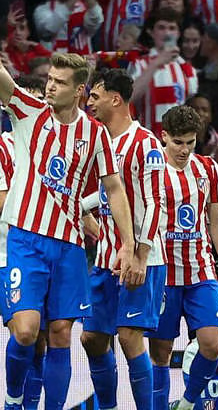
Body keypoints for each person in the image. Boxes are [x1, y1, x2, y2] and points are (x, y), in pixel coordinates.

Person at [0, 0, 136, 408]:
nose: (50, 87)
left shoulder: (95, 133)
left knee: (60, 334)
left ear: (79, 91)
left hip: (70, 245)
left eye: (59, 82)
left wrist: (129, 243)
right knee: (25, 331)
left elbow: (113, 189)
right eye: (50, 79)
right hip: (25, 239)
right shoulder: (29, 111)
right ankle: (12, 398)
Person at [80, 68, 167, 410]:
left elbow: (156, 202)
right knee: (91, 338)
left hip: (142, 259)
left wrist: (140, 255)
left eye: (95, 96)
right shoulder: (101, 142)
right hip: (105, 259)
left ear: (115, 99)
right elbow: (107, 192)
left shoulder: (145, 143)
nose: (89, 103)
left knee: (130, 337)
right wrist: (79, 207)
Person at [147, 105, 218, 410]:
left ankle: (186, 403)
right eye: (178, 142)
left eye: (190, 142)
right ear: (164, 137)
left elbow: (217, 220)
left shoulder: (208, 169)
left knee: (213, 343)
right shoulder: (150, 168)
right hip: (163, 274)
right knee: (160, 352)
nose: (184, 150)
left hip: (201, 271)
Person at [0, 75, 47, 410]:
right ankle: (12, 401)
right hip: (9, 254)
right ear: (11, 107)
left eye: (39, 102)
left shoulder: (55, 148)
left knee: (42, 342)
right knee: (24, 333)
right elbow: (2, 204)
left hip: (50, 253)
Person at [129, 7, 198, 138]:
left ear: (178, 33)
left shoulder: (186, 68)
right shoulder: (139, 64)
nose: (167, 33)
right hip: (147, 141)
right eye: (161, 28)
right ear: (151, 32)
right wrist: (156, 63)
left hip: (178, 142)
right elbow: (129, 96)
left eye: (172, 28)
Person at [33, 0, 104, 55]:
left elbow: (97, 20)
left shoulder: (84, 8)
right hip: (54, 61)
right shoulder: (42, 10)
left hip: (83, 61)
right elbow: (48, 30)